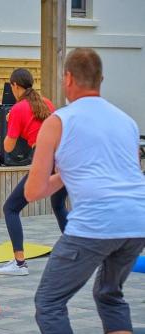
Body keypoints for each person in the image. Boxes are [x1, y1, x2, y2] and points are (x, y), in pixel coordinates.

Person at [26, 48, 145, 334]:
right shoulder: (126, 121)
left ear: (67, 78)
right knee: (110, 295)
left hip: (95, 222)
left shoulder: (58, 121)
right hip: (137, 219)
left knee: (50, 302)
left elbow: (33, 191)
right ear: (100, 79)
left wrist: (62, 175)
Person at [0, 68, 69, 276]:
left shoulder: (18, 109)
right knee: (58, 205)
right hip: (63, 160)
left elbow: (8, 148)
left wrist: (9, 122)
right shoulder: (47, 103)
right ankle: (79, 254)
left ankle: (19, 264)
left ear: (15, 86)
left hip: (45, 160)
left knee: (11, 208)